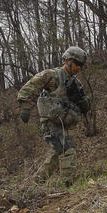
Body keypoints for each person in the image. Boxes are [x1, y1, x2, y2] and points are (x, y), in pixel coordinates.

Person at [17, 46, 91, 187]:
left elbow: (83, 103)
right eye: (77, 64)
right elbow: (30, 86)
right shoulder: (52, 75)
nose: (79, 68)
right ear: (67, 61)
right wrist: (25, 107)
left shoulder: (76, 84)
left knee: (57, 153)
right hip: (50, 122)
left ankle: (35, 185)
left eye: (81, 66)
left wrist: (84, 103)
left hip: (62, 122)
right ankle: (67, 186)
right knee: (68, 149)